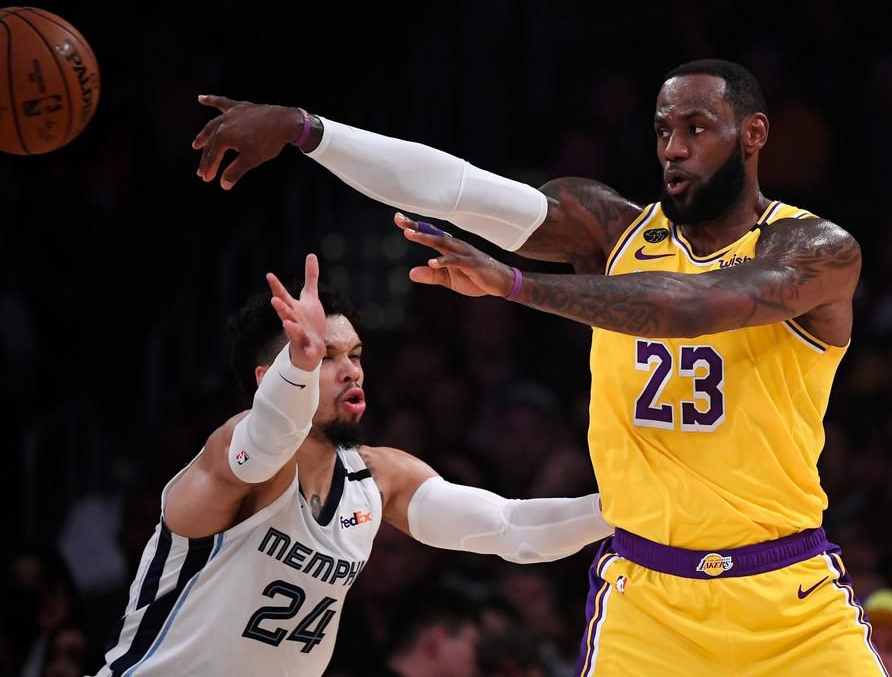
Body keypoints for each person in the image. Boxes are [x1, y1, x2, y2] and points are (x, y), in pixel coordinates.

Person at [193, 58, 877, 674]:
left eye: (697, 128)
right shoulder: (612, 232)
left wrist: (516, 286)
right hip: (649, 604)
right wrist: (307, 130)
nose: (674, 149)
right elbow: (457, 189)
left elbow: (695, 306)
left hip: (789, 596)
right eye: (664, 131)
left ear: (754, 134)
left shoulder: (815, 248)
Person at [93, 255, 610, 676]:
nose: (349, 370)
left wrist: (623, 510)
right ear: (268, 376)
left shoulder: (379, 478)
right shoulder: (236, 457)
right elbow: (270, 435)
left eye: (355, 355)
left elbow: (509, 527)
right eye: (325, 358)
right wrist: (298, 365)